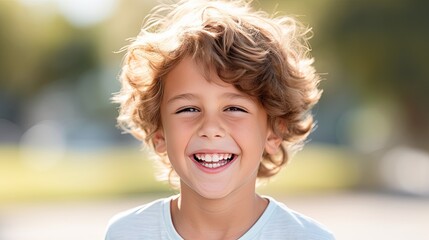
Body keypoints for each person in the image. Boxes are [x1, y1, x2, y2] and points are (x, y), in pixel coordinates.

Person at [105, 0, 334, 239]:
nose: (211, 128)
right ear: (160, 133)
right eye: (188, 109)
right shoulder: (126, 233)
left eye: (234, 108)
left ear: (274, 131)